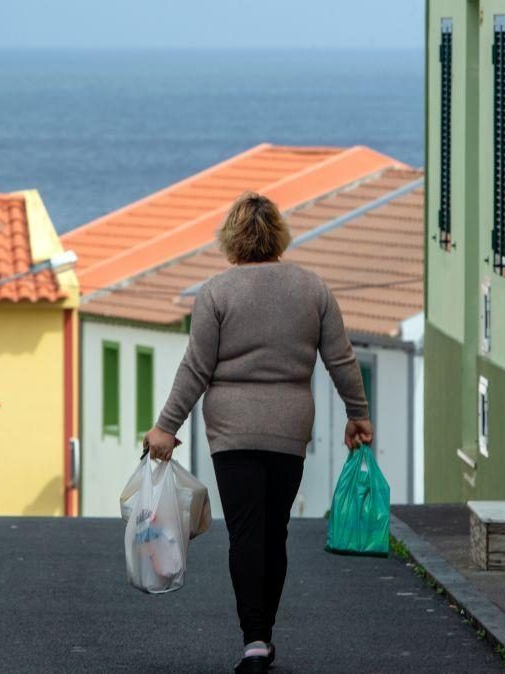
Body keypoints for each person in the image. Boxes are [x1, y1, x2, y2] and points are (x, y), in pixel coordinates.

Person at [142, 192, 374, 673]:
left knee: (246, 533)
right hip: (290, 426)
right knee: (276, 531)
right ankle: (264, 632)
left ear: (232, 237)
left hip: (232, 431)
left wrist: (167, 426)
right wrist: (358, 413)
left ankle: (254, 640)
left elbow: (195, 369)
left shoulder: (217, 292)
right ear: (279, 236)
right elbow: (341, 359)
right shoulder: (313, 289)